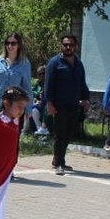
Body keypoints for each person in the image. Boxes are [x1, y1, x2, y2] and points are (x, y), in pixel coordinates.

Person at [43, 34, 91, 175]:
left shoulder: (78, 64)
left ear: (75, 46)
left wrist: (86, 99)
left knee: (68, 134)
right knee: (60, 135)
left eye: (71, 45)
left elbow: (82, 83)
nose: (68, 47)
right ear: (61, 46)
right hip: (58, 105)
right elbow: (48, 84)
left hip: (73, 105)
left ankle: (60, 160)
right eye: (65, 44)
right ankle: (58, 163)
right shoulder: (54, 63)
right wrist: (49, 103)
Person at [0, 32, 32, 130]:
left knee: (11, 138)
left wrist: (28, 108)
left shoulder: (24, 63)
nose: (10, 46)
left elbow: (27, 88)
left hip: (14, 108)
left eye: (13, 43)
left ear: (19, 45)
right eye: (7, 43)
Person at [26, 66, 49, 136]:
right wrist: (35, 99)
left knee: (33, 111)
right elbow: (33, 93)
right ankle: (25, 130)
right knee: (27, 108)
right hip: (38, 104)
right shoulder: (38, 84)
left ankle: (41, 130)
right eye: (39, 74)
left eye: (43, 73)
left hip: (46, 105)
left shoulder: (49, 83)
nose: (41, 75)